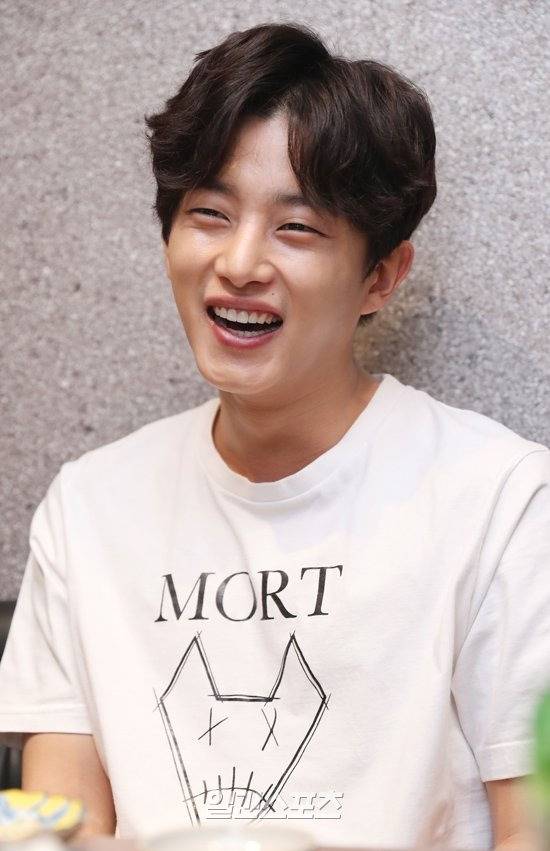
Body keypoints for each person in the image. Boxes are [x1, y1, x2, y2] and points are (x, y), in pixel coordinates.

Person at [0, 20, 548, 850]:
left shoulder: (502, 501)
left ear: (380, 276)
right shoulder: (89, 509)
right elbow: (58, 825)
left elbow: (532, 830)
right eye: (209, 214)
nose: (240, 263)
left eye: (296, 228)